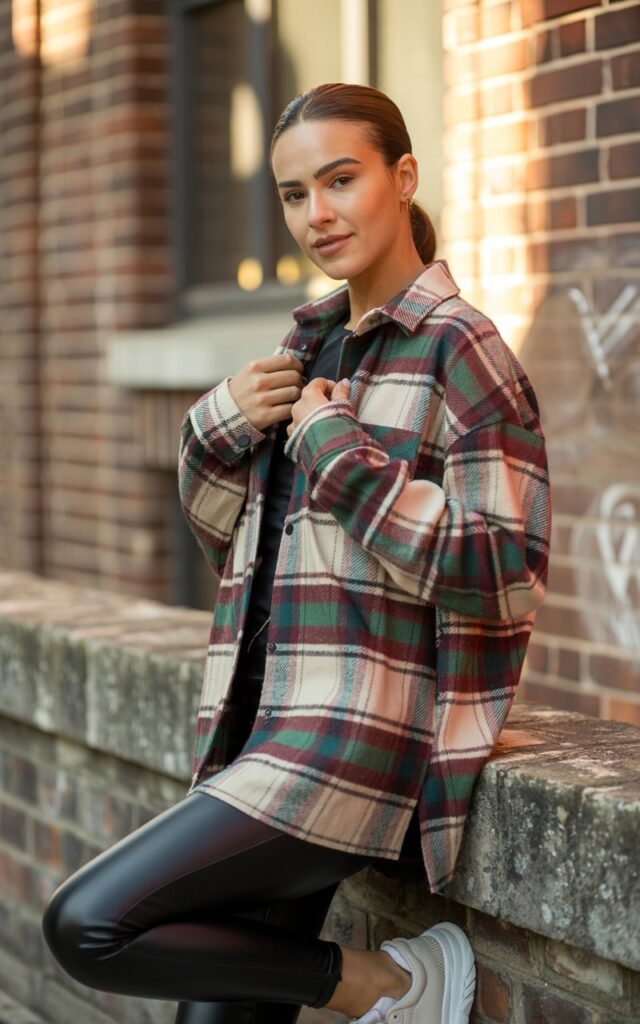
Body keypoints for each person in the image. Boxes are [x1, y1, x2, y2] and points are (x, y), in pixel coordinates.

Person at [41, 83, 551, 1024]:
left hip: (352, 744)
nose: (316, 215)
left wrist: (336, 454)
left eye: (340, 179)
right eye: (292, 194)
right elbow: (241, 548)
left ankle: (391, 987)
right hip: (264, 730)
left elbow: (501, 574)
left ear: (402, 178)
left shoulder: (464, 353)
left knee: (88, 922)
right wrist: (214, 424)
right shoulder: (309, 345)